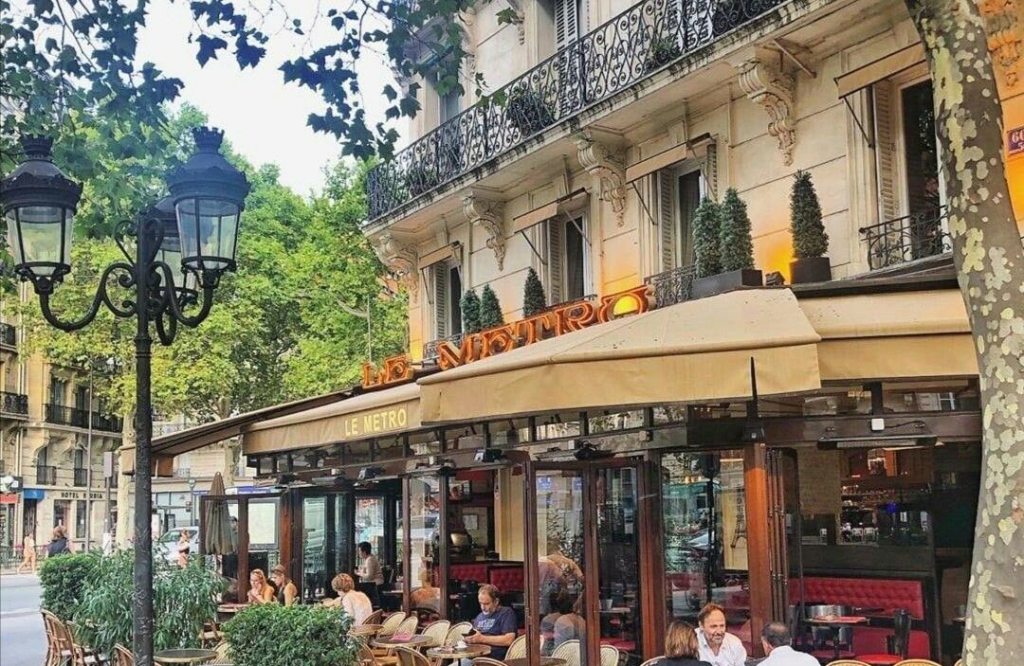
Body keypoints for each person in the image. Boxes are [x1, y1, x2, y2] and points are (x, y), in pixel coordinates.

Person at [465, 584, 517, 660]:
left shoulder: (506, 613)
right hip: (474, 657)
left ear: (496, 601)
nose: (483, 607)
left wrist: (482, 639)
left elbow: (509, 640)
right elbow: (475, 637)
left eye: (486, 604)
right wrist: (469, 639)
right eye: (480, 603)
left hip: (492, 659)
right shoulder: (479, 617)